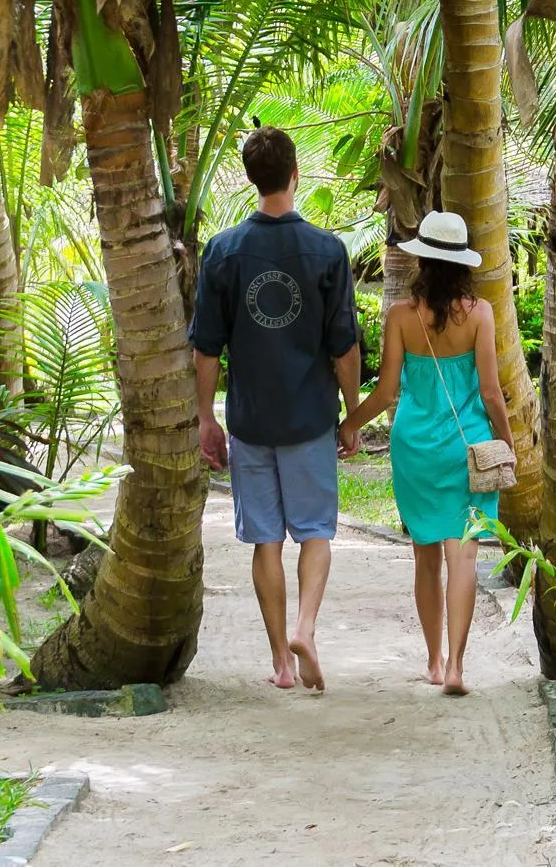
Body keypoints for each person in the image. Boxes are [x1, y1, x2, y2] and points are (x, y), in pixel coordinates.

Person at [191, 126, 361, 692]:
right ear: (295, 174)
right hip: (310, 417)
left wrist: (205, 417)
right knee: (314, 533)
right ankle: (306, 629)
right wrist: (352, 413)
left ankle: (281, 665)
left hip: (250, 419)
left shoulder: (223, 251)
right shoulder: (327, 250)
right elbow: (344, 347)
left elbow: (206, 346)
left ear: (252, 178)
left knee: (265, 539)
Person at [340, 211, 514, 696]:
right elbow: (492, 393)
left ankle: (434, 661)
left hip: (414, 448)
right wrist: (509, 441)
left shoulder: (401, 315)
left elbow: (386, 392)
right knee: (464, 555)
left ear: (422, 260)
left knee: (425, 557)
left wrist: (349, 423)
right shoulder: (479, 314)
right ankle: (457, 666)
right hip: (465, 448)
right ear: (462, 263)